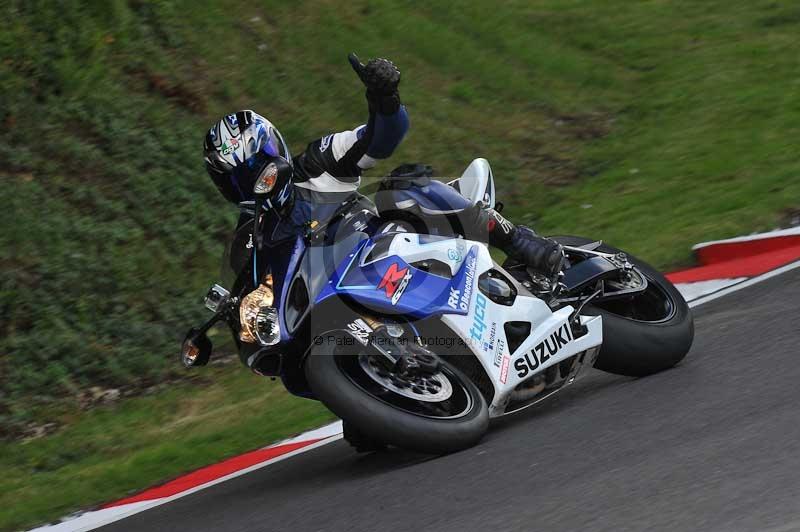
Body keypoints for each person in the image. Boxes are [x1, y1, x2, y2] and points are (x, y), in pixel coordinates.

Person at [202, 53, 564, 280]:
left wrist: (384, 98)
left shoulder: (316, 163)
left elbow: (382, 139)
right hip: (340, 295)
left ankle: (518, 242)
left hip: (396, 242)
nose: (255, 177)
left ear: (274, 145)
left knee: (401, 186)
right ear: (224, 183)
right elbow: (249, 296)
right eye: (239, 175)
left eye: (258, 160)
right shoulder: (248, 243)